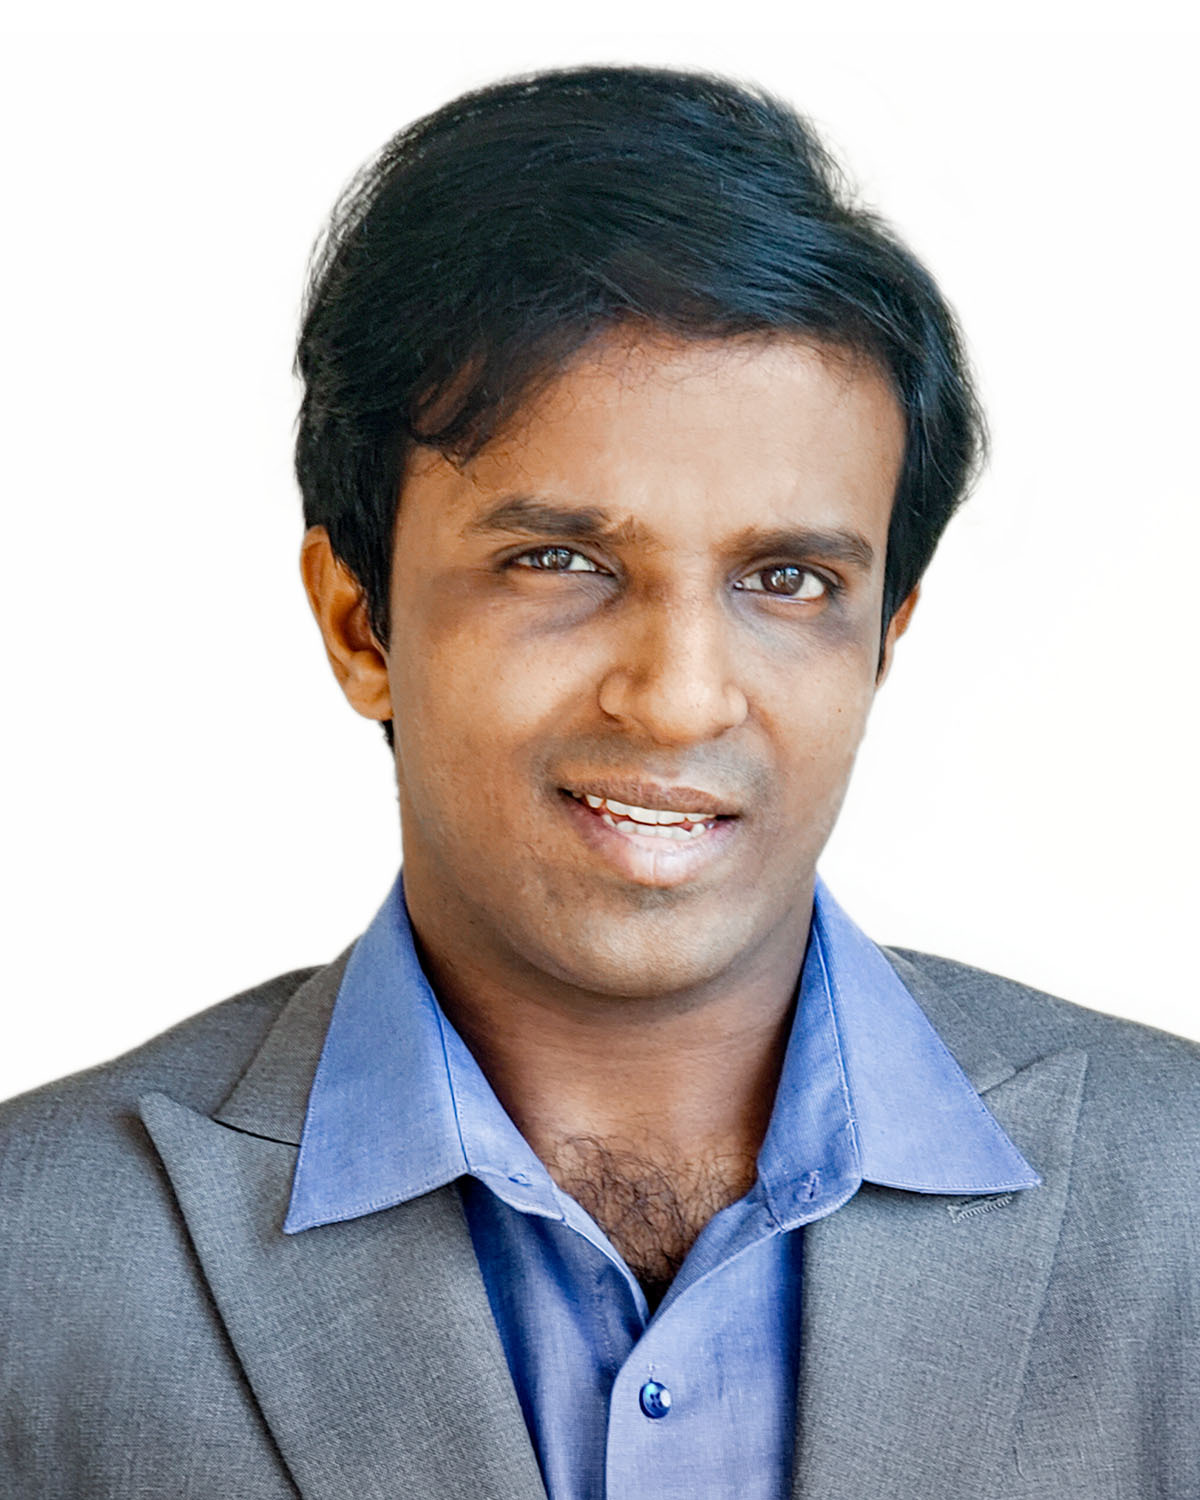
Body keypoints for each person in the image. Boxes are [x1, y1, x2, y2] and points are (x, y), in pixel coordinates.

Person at [1, 62, 1196, 1500]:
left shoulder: (1179, 1206)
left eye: (790, 579)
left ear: (886, 640)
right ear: (361, 622)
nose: (682, 694)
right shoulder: (37, 1256)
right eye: (559, 561)